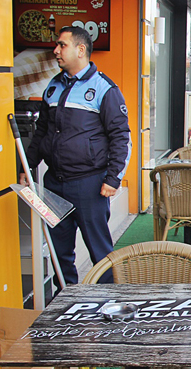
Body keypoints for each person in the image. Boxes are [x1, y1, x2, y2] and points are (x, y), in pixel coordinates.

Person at [24, 26, 131, 285]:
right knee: (59, 252)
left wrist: (113, 178)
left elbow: (121, 137)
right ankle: (66, 300)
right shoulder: (53, 86)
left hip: (89, 185)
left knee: (100, 252)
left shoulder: (104, 88)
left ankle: (109, 300)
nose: (56, 50)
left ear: (80, 50)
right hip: (54, 184)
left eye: (62, 45)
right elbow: (41, 132)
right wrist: (26, 166)